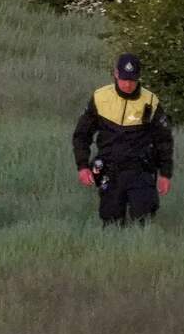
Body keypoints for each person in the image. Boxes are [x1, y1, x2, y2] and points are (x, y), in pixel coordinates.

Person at [72, 53, 173, 226]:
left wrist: (165, 173)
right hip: (109, 168)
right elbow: (82, 135)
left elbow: (163, 140)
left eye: (133, 80)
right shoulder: (100, 97)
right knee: (111, 220)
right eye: (124, 79)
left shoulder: (150, 102)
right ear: (116, 74)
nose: (128, 84)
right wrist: (82, 166)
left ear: (139, 77)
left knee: (143, 217)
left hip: (140, 169)